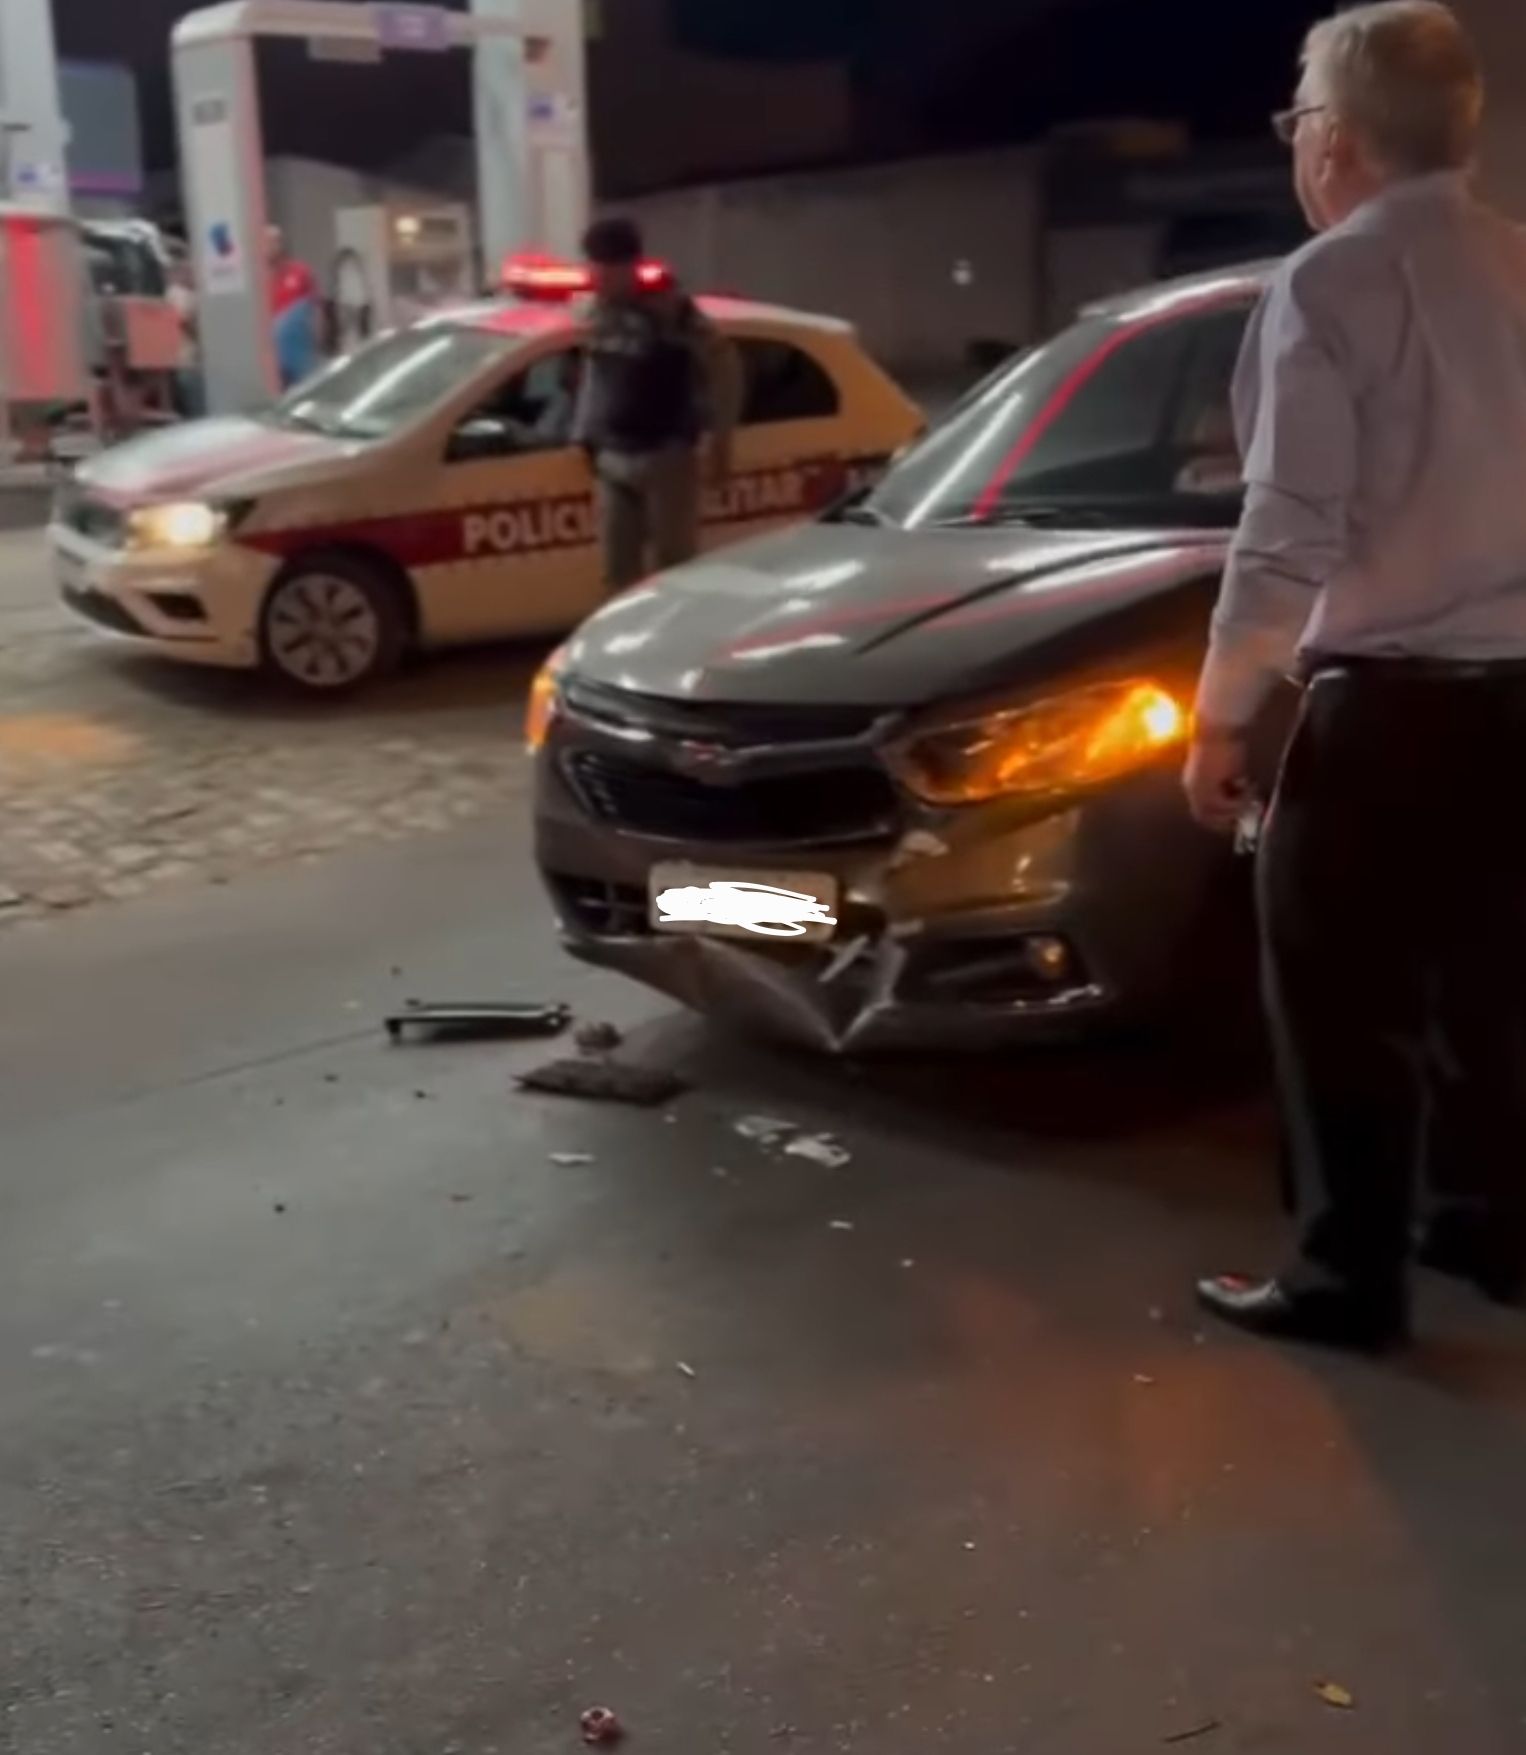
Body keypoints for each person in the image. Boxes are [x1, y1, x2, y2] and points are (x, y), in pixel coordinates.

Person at [1185, 0, 1526, 1351]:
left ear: (1328, 140)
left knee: (1339, 1008)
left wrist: (1220, 716)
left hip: (1381, 712)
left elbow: (1284, 532)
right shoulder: (1521, 266)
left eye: (1292, 121)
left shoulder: (1324, 284)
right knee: (1494, 991)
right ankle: (1483, 1229)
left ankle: (1346, 1279)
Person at [572, 217, 742, 590]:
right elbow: (595, 373)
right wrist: (584, 434)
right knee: (617, 574)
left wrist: (722, 439)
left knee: (676, 570)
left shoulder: (670, 310)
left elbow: (723, 365)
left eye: (605, 266)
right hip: (613, 459)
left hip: (667, 456)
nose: (596, 276)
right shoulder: (597, 312)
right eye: (593, 265)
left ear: (628, 266)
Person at [267, 225, 321, 390]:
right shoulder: (257, 280)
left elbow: (315, 309)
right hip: (271, 352)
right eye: (266, 242)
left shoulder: (300, 271)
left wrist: (317, 338)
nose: (270, 246)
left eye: (274, 241)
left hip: (300, 350)